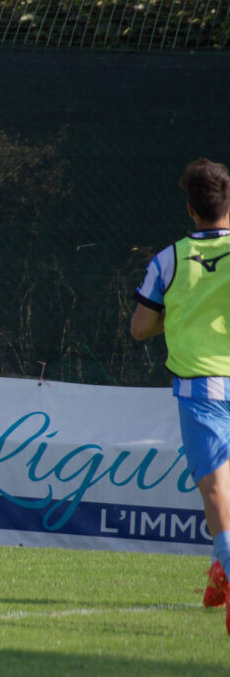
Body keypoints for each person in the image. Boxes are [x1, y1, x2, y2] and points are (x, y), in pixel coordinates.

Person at [131, 157, 230, 634]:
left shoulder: (168, 259)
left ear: (190, 209)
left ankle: (228, 566)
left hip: (202, 387)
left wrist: (184, 310)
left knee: (216, 490)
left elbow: (140, 328)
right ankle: (219, 568)